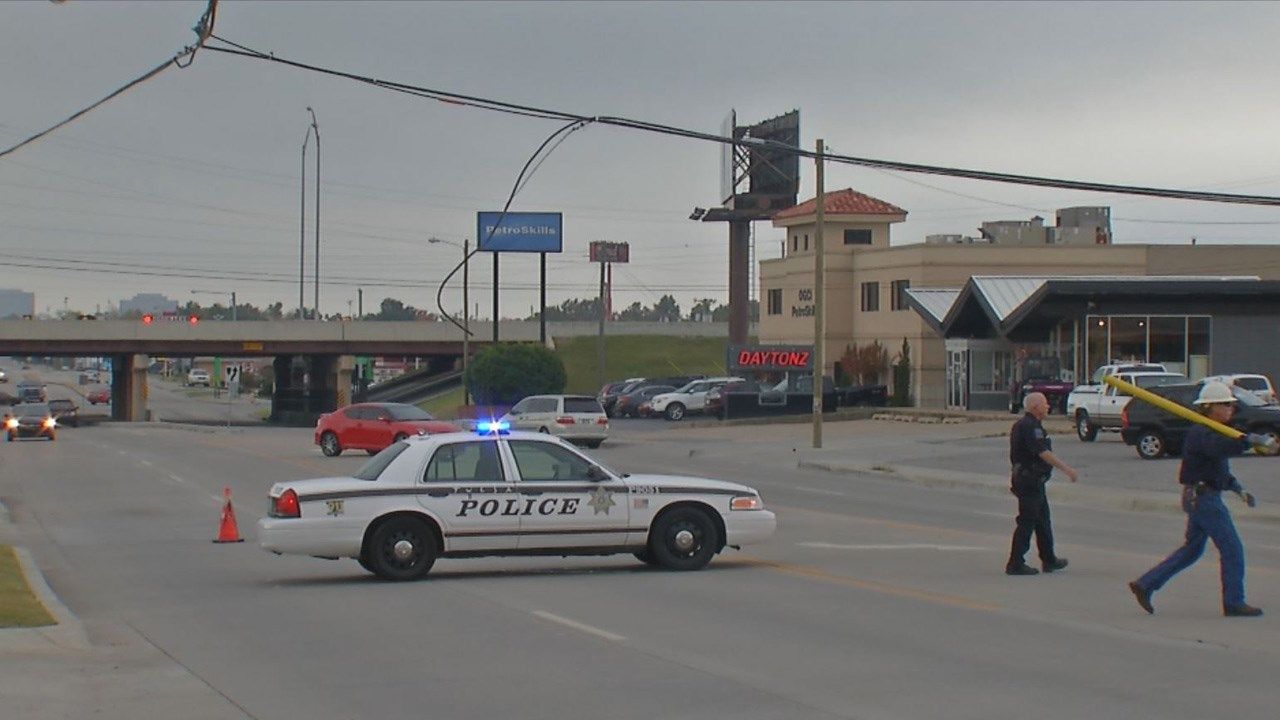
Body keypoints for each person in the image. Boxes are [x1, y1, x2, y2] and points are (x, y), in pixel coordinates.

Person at [1128, 381, 1273, 617]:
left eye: (1231, 405)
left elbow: (1218, 470)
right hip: (1203, 499)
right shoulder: (1202, 432)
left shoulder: (1213, 430)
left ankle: (1146, 584)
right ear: (1209, 408)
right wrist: (1248, 441)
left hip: (1202, 495)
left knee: (1191, 550)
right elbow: (1219, 448)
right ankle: (1234, 602)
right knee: (1232, 549)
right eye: (1225, 405)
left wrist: (1238, 489)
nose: (1230, 409)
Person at [1006, 391, 1078, 575]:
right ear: (1035, 407)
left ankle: (1049, 559)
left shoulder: (1030, 425)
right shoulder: (1030, 427)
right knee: (1027, 521)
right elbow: (1042, 452)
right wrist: (1066, 469)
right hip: (1028, 481)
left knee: (1042, 520)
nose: (1048, 406)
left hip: (1033, 480)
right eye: (1045, 404)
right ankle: (1015, 563)